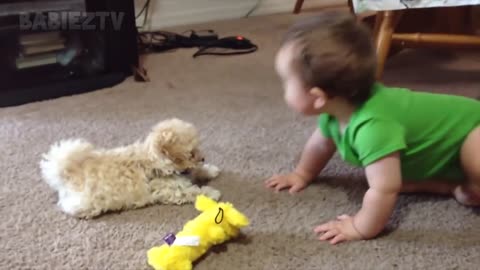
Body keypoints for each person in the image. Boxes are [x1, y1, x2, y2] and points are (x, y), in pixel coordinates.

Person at [265, 11, 480, 244]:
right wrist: (302, 174)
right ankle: (449, 185)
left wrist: (360, 227)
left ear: (318, 96)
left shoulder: (373, 127)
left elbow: (384, 189)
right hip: (452, 148)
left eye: (287, 82)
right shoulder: (338, 109)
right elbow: (320, 143)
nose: (283, 89)